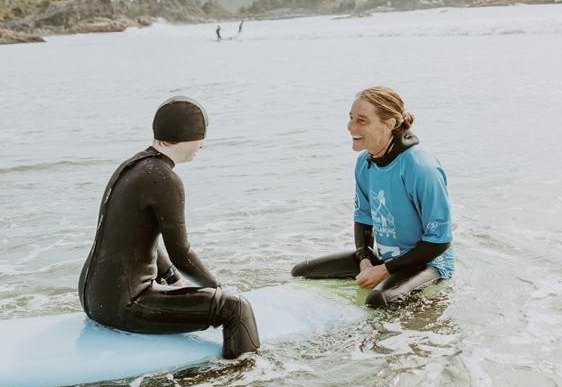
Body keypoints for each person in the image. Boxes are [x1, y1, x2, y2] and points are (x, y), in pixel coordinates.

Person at [79, 96, 260, 359]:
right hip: (124, 306)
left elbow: (144, 236)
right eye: (201, 137)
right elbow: (182, 254)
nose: (203, 145)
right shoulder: (165, 178)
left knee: (185, 289)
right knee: (235, 308)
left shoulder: (134, 166)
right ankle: (243, 380)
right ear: (188, 137)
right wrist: (219, 289)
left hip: (93, 298)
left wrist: (173, 279)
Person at [292, 86, 454, 307]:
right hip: (387, 259)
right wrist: (365, 261)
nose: (350, 127)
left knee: (379, 300)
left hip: (429, 264)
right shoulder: (365, 162)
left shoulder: (420, 166)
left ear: (390, 124)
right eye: (350, 118)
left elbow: (440, 241)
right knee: (302, 272)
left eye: (362, 121)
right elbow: (364, 217)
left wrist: (385, 270)